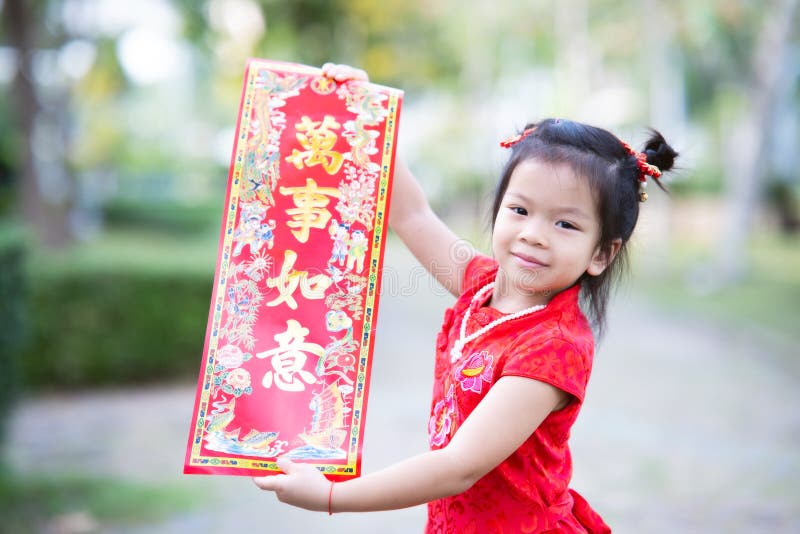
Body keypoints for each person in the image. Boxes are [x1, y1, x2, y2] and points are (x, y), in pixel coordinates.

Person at [253, 63, 679, 533]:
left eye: (565, 224)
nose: (533, 234)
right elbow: (412, 214)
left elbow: (460, 466)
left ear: (601, 253)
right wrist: (364, 111)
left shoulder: (554, 347)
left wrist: (333, 496)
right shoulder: (482, 285)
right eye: (520, 210)